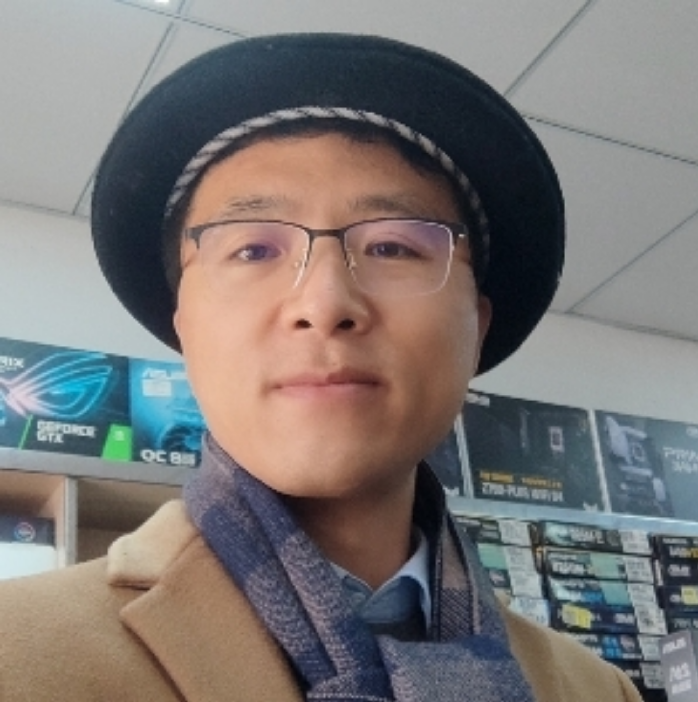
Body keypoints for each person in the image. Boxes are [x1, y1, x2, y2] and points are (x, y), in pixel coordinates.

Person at [0, 33, 642, 701]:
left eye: (393, 246)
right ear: (183, 324)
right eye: (253, 250)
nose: (325, 303)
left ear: (476, 326)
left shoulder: (598, 691)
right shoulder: (17, 659)